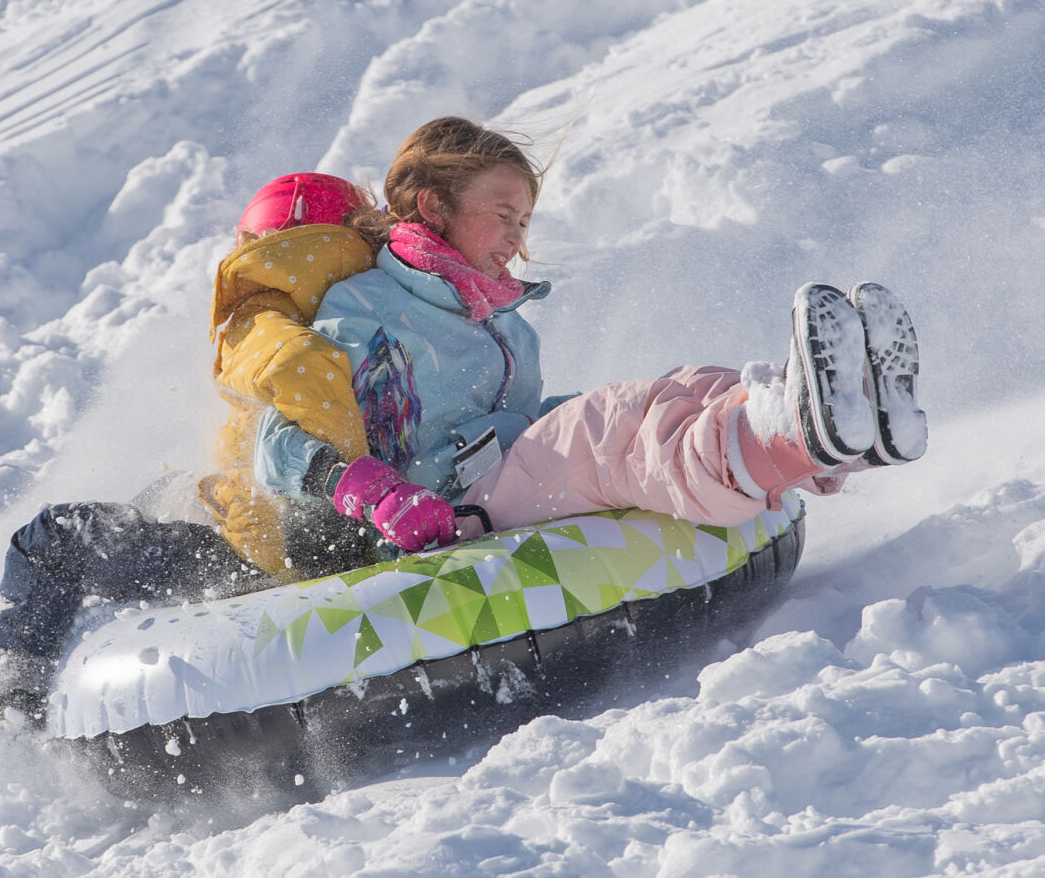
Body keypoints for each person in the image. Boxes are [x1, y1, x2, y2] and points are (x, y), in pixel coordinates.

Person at [250, 116, 925, 555]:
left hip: (494, 478)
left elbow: (514, 424)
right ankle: (793, 439)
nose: (518, 241)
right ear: (434, 206)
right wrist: (371, 490)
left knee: (686, 386)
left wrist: (567, 412)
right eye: (504, 216)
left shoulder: (500, 318)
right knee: (612, 425)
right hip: (438, 513)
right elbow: (276, 440)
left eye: (525, 222)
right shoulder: (364, 306)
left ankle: (844, 430)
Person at [0, 172, 381, 718]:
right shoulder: (366, 311)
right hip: (270, 525)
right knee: (166, 489)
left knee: (51, 539)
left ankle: (12, 695)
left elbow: (317, 422)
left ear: (262, 244)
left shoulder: (270, 323)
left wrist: (303, 555)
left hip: (256, 558)